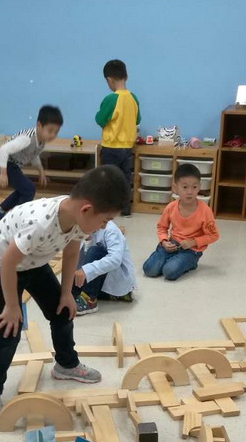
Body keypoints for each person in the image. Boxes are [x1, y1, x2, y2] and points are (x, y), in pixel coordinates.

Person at [0, 165, 129, 420]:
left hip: (34, 262)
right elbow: (8, 263)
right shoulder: (40, 224)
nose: (103, 227)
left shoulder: (78, 219)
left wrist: (66, 293)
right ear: (86, 209)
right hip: (0, 263)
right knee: (9, 329)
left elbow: (71, 253)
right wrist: (12, 306)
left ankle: (66, 365)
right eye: (105, 221)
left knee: (62, 311)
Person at [142, 163, 219, 281]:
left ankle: (190, 262)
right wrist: (164, 241)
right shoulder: (171, 207)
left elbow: (213, 235)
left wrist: (193, 242)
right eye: (185, 187)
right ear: (175, 187)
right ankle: (170, 259)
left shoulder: (205, 211)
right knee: (149, 270)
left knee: (169, 272)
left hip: (191, 250)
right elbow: (162, 227)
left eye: (194, 187)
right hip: (172, 244)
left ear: (199, 187)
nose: (190, 192)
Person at [0, 105, 63, 221]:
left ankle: (0, 210)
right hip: (3, 162)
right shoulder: (27, 139)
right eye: (50, 131)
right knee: (29, 189)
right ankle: (17, 217)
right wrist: (3, 173)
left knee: (25, 189)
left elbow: (34, 156)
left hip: (12, 165)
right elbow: (4, 149)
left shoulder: (41, 142)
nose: (53, 135)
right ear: (39, 125)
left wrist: (41, 172)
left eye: (56, 132)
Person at [95, 60, 140, 218]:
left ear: (109, 79)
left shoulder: (111, 99)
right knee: (124, 179)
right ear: (126, 76)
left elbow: (100, 119)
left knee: (108, 179)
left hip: (111, 147)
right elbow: (138, 119)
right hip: (127, 147)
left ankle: (108, 209)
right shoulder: (133, 98)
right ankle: (125, 209)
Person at [72, 221, 136, 315]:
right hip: (94, 281)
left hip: (115, 280)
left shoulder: (110, 230)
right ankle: (85, 294)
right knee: (68, 292)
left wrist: (86, 270)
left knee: (95, 251)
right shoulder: (82, 228)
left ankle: (89, 299)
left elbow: (115, 259)